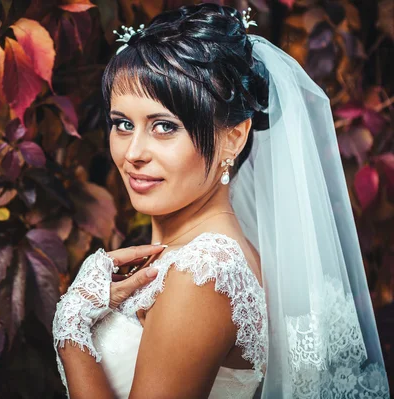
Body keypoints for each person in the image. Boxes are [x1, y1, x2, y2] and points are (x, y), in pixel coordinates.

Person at [52, 3, 390, 398]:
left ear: (234, 136)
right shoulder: (203, 256)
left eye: (164, 126)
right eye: (123, 124)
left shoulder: (204, 272)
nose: (133, 152)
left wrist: (71, 328)